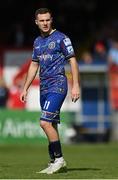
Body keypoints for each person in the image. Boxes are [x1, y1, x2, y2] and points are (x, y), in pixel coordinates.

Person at [20, 8, 80, 174]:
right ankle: (54, 160)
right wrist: (24, 87)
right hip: (44, 87)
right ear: (36, 22)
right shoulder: (37, 42)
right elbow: (33, 65)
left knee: (44, 122)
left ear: (51, 20)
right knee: (51, 124)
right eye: (42, 20)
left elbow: (73, 61)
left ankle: (59, 159)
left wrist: (76, 85)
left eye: (47, 20)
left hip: (58, 84)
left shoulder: (62, 38)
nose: (45, 23)